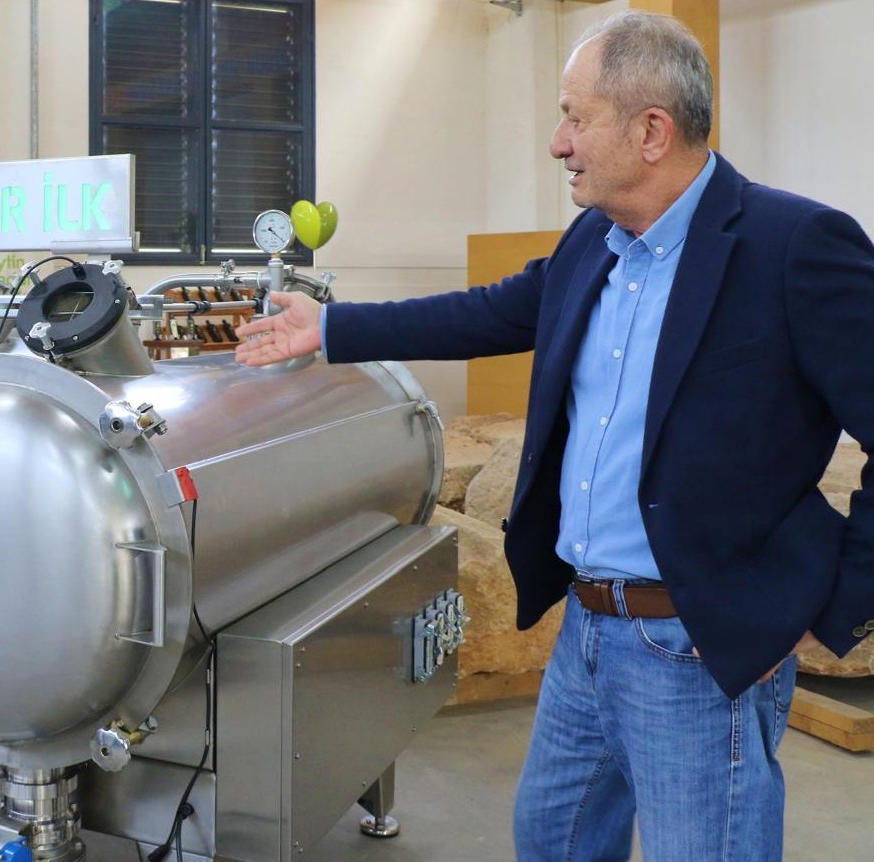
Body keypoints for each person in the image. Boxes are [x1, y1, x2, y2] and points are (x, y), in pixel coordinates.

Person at [236, 10, 874, 862]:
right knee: (552, 841)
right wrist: (328, 328)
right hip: (584, 629)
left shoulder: (792, 245)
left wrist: (833, 611)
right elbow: (487, 311)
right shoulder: (595, 243)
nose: (557, 143)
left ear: (651, 131)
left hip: (698, 645)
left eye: (576, 117)